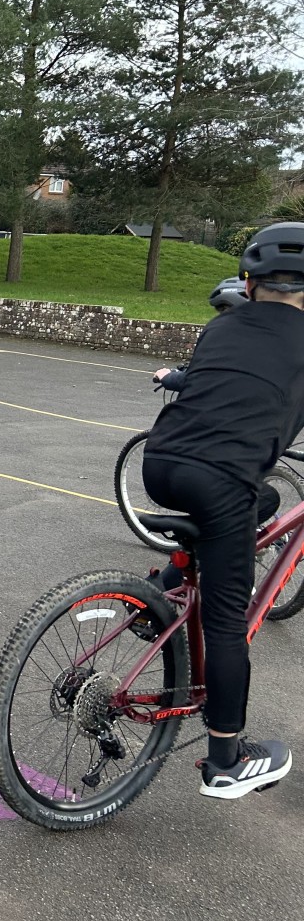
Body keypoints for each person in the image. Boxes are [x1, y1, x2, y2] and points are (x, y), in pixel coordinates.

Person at [140, 221, 304, 799]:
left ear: (249, 280)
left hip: (158, 464)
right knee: (227, 623)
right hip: (221, 480)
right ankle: (227, 761)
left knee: (258, 500)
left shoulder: (222, 327)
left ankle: (161, 588)